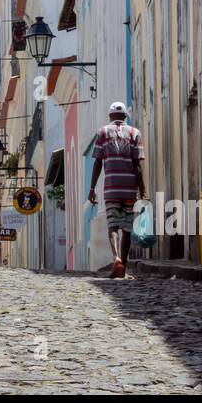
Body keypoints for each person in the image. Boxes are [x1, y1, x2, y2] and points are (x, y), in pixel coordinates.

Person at [87, 101, 146, 279]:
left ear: (110, 116)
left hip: (112, 187)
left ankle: (116, 257)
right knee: (127, 228)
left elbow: (98, 162)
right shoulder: (135, 133)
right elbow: (137, 165)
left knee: (113, 225)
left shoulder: (102, 133)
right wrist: (142, 190)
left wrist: (92, 188)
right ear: (124, 117)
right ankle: (124, 269)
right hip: (129, 188)